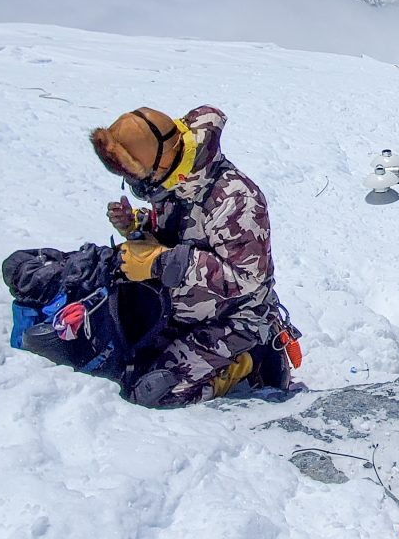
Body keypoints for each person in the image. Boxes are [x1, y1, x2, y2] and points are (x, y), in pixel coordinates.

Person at [90, 105, 297, 407]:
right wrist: (139, 225)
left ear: (162, 160)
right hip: (184, 306)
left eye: (141, 176)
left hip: (237, 319)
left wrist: (160, 262)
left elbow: (248, 277)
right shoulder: (178, 179)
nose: (140, 186)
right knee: (123, 365)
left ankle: (254, 360)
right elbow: (184, 229)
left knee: (155, 393)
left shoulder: (235, 197)